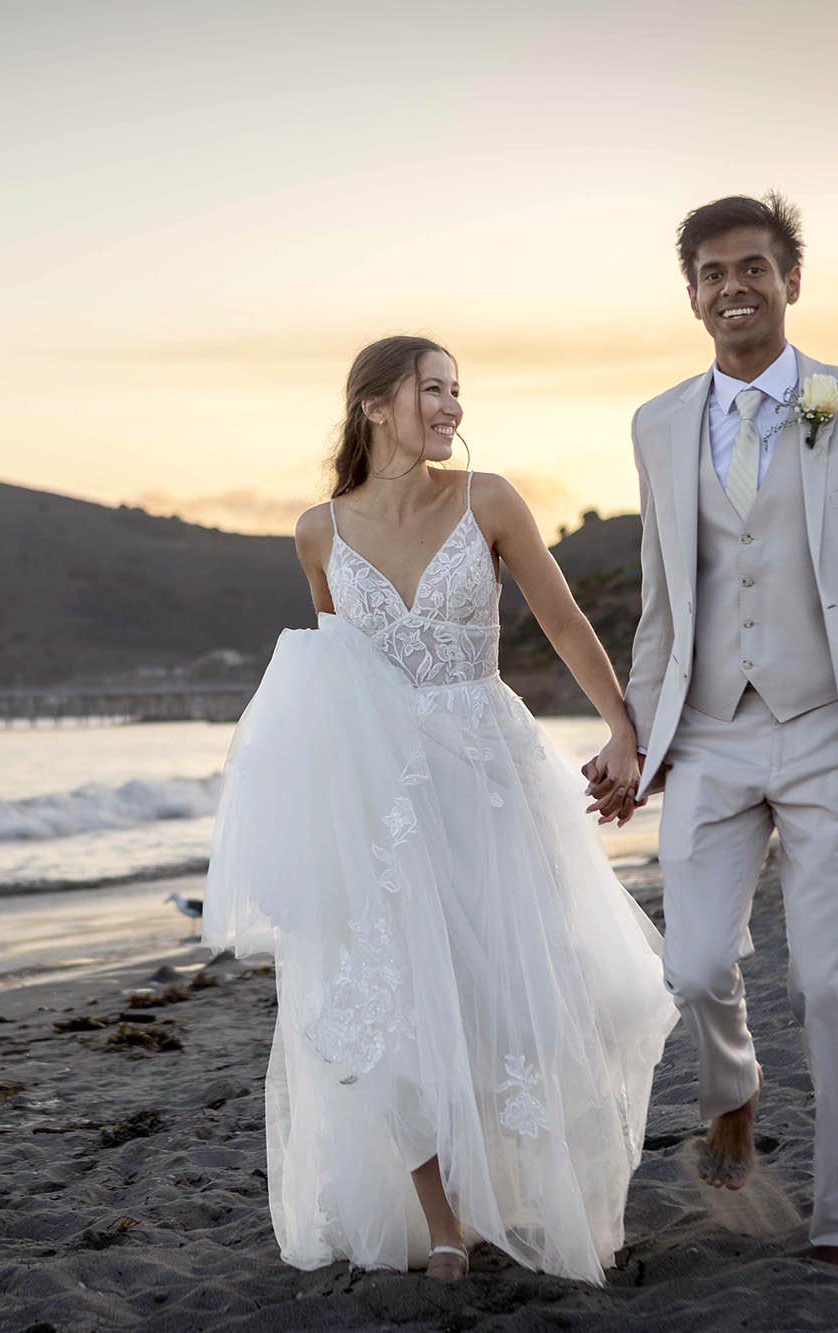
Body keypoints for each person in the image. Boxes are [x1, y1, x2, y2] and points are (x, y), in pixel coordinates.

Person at [203, 336, 676, 1286]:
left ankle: (532, 1187)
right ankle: (444, 1221)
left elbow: (564, 619)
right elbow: (331, 683)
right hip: (384, 802)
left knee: (517, 993)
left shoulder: (488, 499)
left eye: (458, 391)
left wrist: (626, 730)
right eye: (434, 390)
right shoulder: (318, 533)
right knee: (393, 997)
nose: (453, 407)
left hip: (493, 780)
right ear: (376, 405)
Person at [587, 195, 838, 1269]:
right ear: (691, 294)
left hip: (831, 733)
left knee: (829, 984)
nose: (731, 288)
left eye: (752, 267)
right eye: (710, 274)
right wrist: (635, 742)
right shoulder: (654, 424)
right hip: (707, 734)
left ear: (790, 280)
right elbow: (664, 603)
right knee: (694, 965)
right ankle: (733, 1086)